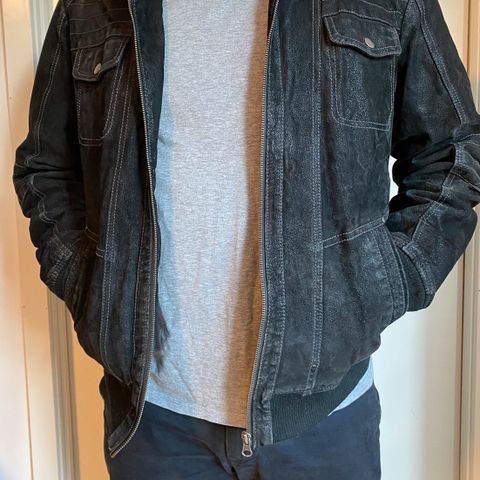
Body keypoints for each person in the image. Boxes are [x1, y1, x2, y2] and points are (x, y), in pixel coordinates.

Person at [12, 0, 480, 479]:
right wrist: (86, 283)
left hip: (323, 423)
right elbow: (46, 168)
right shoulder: (91, 7)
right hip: (154, 423)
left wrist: (387, 283)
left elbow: (451, 154)